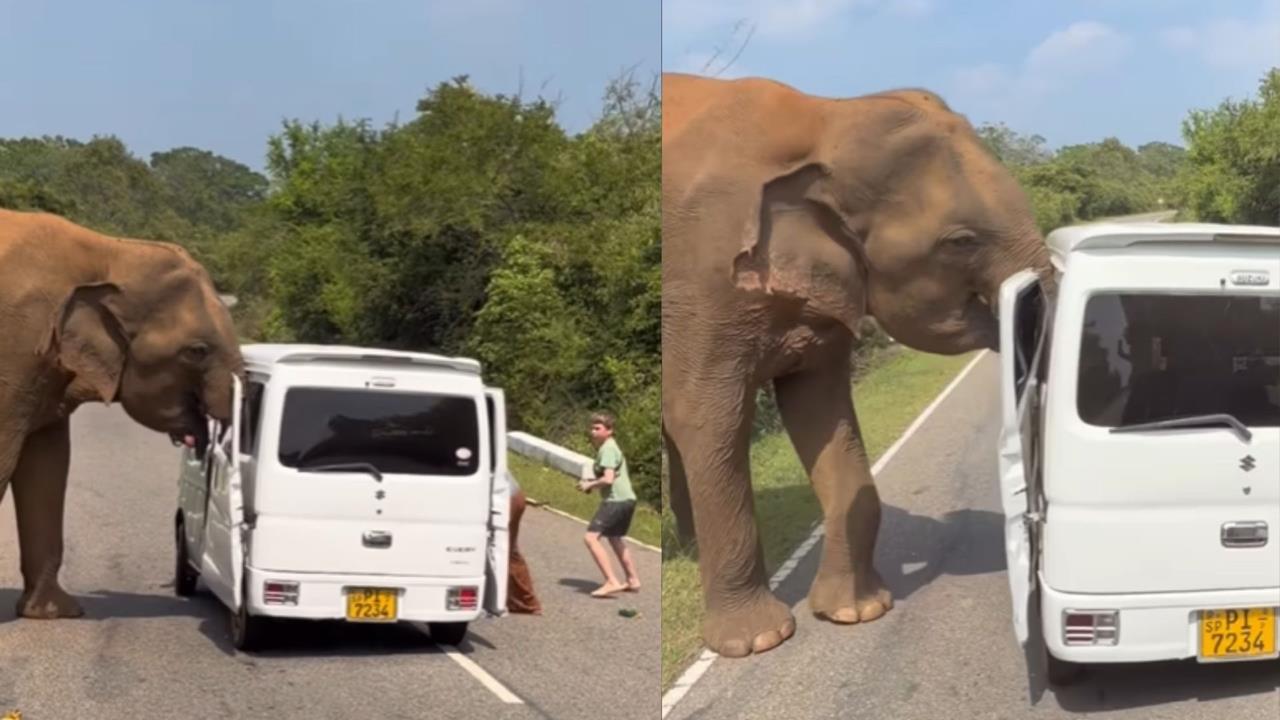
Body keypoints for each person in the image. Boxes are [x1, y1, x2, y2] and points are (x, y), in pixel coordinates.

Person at [577, 412, 641, 598]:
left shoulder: (608, 449)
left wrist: (589, 484)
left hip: (616, 500)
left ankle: (612, 581)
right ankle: (633, 580)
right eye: (592, 428)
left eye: (598, 428)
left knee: (590, 538)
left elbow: (608, 479)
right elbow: (610, 476)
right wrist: (592, 482)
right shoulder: (610, 448)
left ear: (609, 431)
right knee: (615, 537)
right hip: (627, 499)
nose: (593, 432)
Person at [505, 470, 542, 614]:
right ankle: (526, 601)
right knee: (509, 550)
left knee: (501, 550)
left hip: (506, 498)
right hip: (514, 494)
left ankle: (526, 601)